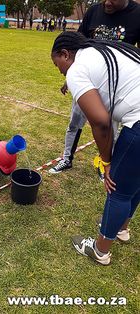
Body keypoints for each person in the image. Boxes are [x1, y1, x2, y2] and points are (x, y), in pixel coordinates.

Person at [51, 31, 140, 265]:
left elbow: (100, 121)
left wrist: (107, 161)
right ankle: (121, 229)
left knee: (117, 188)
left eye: (57, 63)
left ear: (65, 54)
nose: (59, 70)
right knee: (135, 180)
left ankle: (100, 250)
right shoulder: (101, 51)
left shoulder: (77, 70)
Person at [49, 0, 140, 174]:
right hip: (87, 78)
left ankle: (105, 164)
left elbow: (101, 122)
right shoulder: (94, 12)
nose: (107, 2)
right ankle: (67, 159)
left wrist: (106, 161)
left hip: (116, 89)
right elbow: (76, 43)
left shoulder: (137, 14)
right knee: (75, 123)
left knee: (107, 126)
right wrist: (72, 78)